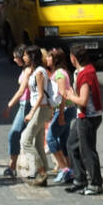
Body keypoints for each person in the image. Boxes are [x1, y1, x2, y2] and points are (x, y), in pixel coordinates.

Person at [63, 46, 103, 195]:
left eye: (71, 56)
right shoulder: (81, 72)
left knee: (87, 151)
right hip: (84, 116)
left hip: (88, 117)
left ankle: (95, 184)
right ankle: (80, 180)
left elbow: (83, 100)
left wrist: (70, 96)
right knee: (72, 145)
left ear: (74, 57)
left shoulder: (86, 74)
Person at [20, 45, 54, 185]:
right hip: (39, 108)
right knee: (38, 143)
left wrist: (31, 112)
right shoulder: (34, 72)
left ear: (32, 57)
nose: (24, 58)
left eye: (26, 55)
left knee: (25, 140)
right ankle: (43, 175)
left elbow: (40, 95)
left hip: (41, 109)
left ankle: (41, 172)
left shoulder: (40, 72)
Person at [46, 47, 75, 183]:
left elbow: (63, 94)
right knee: (64, 141)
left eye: (49, 57)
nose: (46, 59)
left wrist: (61, 114)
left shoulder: (59, 74)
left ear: (55, 60)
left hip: (65, 109)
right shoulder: (60, 72)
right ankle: (70, 169)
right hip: (65, 109)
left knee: (51, 138)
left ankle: (64, 169)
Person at [2, 45, 30, 180]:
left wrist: (9, 105)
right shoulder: (25, 70)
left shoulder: (29, 70)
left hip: (27, 105)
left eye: (16, 57)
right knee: (25, 136)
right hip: (24, 104)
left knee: (14, 133)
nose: (14, 60)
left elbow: (21, 91)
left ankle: (12, 166)